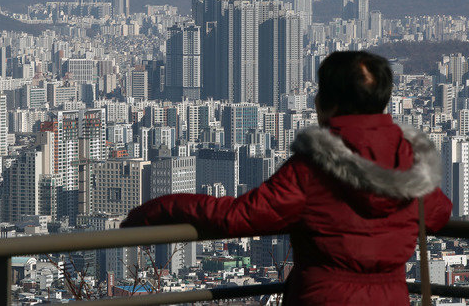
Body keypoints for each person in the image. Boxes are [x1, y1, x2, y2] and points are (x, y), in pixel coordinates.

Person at [121, 51, 452, 305]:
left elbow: (238, 216)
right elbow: (438, 213)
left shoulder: (315, 168)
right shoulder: (411, 164)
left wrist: (154, 210)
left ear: (327, 103)